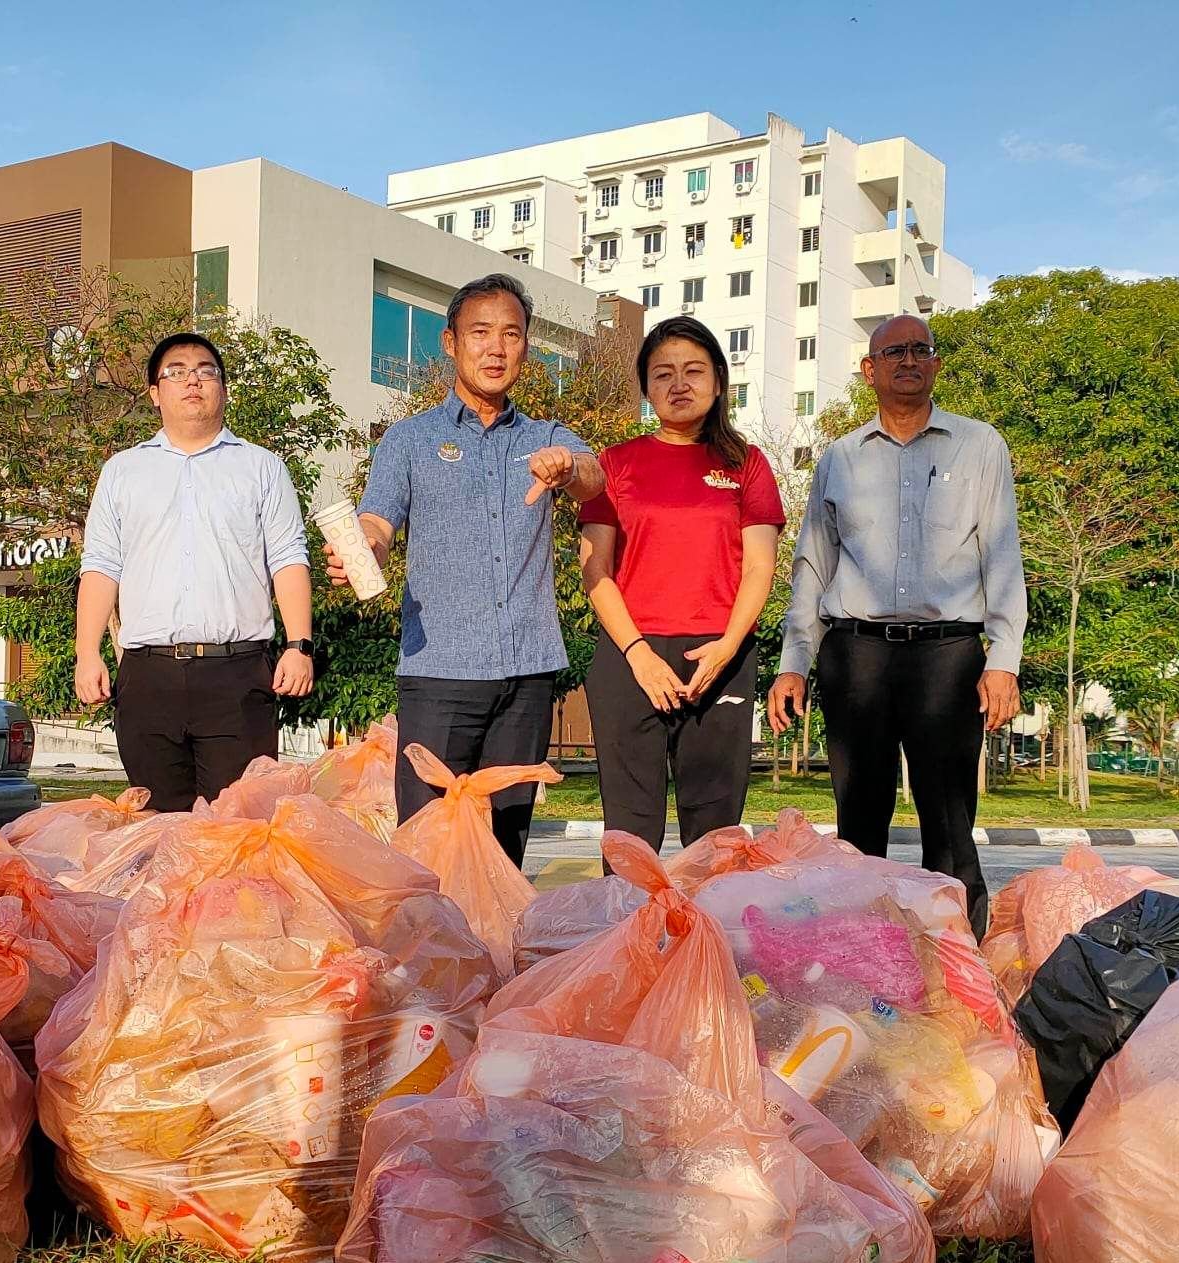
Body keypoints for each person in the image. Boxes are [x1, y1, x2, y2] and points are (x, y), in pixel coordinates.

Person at [326, 272, 604, 865]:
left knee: (505, 848)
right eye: (481, 333)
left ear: (527, 347)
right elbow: (377, 521)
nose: (496, 348)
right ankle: (429, 959)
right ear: (451, 343)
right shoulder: (410, 439)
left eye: (512, 334)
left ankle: (496, 957)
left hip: (526, 676)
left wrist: (567, 469)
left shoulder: (545, 437)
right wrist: (364, 551)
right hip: (439, 676)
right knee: (429, 845)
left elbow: (594, 477)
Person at [767, 314, 1024, 936]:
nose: (908, 360)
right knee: (859, 820)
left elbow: (1002, 553)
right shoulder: (840, 459)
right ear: (870, 370)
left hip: (948, 657)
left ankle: (965, 964)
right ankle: (861, 954)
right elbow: (812, 563)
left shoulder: (980, 445)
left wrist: (1003, 658)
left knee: (950, 823)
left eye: (920, 349)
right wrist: (793, 663)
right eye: (893, 351)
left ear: (935, 364)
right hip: (857, 657)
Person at [74, 332, 315, 811]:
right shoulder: (123, 472)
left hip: (237, 676)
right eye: (176, 372)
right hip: (148, 677)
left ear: (223, 389)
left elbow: (288, 557)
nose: (192, 381)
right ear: (154, 393)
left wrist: (299, 646)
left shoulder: (262, 468)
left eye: (206, 371)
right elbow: (101, 565)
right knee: (158, 833)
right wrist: (87, 652)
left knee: (240, 830)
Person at [578, 315, 783, 852]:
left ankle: (708, 938)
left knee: (714, 836)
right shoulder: (615, 463)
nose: (679, 384)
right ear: (646, 386)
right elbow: (595, 570)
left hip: (720, 656)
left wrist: (727, 650)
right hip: (630, 657)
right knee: (629, 830)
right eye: (662, 373)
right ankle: (629, 936)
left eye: (694, 370)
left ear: (718, 381)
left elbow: (760, 566)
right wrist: (639, 655)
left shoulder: (747, 464)